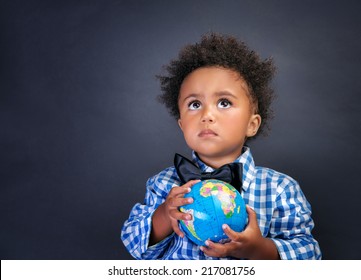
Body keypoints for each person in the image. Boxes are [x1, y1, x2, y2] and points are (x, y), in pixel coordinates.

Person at [121, 33, 321, 260]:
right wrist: (164, 217)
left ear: (252, 124)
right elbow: (134, 245)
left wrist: (259, 250)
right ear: (181, 124)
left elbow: (309, 256)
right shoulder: (164, 185)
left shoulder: (279, 189)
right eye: (195, 104)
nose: (207, 115)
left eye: (224, 103)